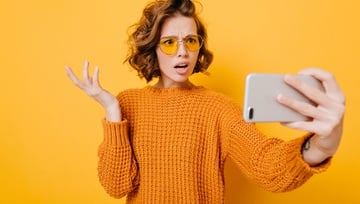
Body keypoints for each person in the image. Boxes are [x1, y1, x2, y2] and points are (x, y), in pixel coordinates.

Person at [65, 0, 346, 203]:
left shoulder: (218, 108)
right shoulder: (128, 104)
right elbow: (116, 186)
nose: (183, 52)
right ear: (153, 47)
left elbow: (266, 166)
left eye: (191, 40)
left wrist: (320, 145)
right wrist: (112, 110)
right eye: (170, 43)